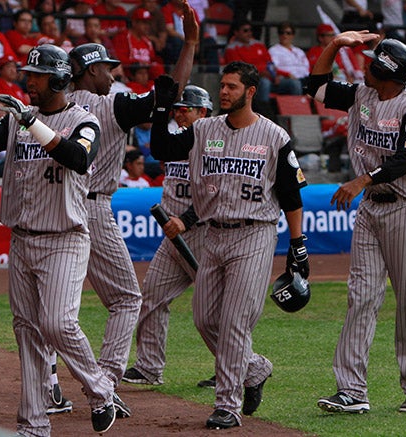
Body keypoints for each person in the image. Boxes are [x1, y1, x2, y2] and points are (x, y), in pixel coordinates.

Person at [0, 44, 117, 436]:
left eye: (37, 75)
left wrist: (30, 121)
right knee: (27, 331)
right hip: (23, 239)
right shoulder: (18, 120)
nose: (28, 80)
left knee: (57, 323)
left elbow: (77, 158)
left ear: (61, 77)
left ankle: (100, 389)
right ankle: (33, 424)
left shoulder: (84, 120)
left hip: (65, 237)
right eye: (28, 73)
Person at [150, 61, 309, 429]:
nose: (224, 92)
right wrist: (161, 108)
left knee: (236, 320)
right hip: (213, 233)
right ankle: (254, 368)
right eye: (222, 85)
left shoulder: (274, 136)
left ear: (250, 92)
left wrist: (298, 243)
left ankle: (228, 404)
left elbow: (291, 195)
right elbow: (161, 146)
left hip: (255, 233)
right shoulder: (204, 128)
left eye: (232, 87)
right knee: (205, 318)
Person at [64, 4, 197, 411]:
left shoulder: (57, 103)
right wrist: (190, 41)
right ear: (89, 72)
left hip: (52, 208)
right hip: (91, 208)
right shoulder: (113, 105)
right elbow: (169, 93)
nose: (114, 73)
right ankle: (104, 379)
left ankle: (47, 385)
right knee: (126, 298)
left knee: (43, 310)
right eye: (107, 68)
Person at [309, 33, 406, 415]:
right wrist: (335, 44)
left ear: (386, 71)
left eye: (371, 62)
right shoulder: (362, 95)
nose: (364, 65)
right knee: (361, 297)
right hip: (371, 211)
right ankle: (351, 390)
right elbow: (315, 89)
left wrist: (362, 179)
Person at [122, 85, 214, 386]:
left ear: (203, 112)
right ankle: (149, 367)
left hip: (201, 234)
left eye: (185, 108)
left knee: (215, 309)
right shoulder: (176, 141)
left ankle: (236, 367)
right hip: (172, 236)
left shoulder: (213, 144)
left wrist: (186, 221)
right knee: (153, 296)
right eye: (177, 109)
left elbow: (216, 196)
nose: (179, 113)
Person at [113, 8, 165, 80]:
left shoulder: (147, 41)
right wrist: (139, 63)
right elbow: (119, 60)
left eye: (148, 23)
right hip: (130, 77)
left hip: (146, 77)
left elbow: (152, 60)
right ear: (134, 23)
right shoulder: (123, 37)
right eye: (144, 23)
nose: (147, 26)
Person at [267, 22, 310, 95]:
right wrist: (287, 74)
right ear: (278, 34)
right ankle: (297, 106)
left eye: (288, 33)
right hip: (286, 80)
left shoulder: (299, 51)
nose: (284, 35)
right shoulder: (273, 50)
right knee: (295, 84)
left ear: (293, 35)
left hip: (303, 79)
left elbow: (307, 68)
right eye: (282, 33)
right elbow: (272, 69)